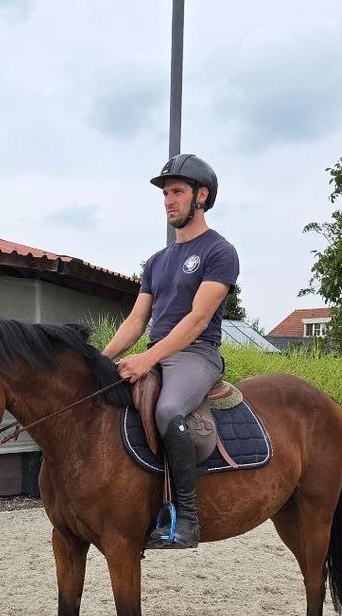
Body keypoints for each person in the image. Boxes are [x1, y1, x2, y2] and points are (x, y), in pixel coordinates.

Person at [102, 154, 239, 549]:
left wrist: (148, 358)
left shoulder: (219, 251)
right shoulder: (157, 261)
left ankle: (188, 520)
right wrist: (102, 358)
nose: (168, 201)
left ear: (202, 195)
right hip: (159, 353)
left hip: (198, 355)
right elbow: (135, 321)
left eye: (177, 192)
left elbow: (197, 320)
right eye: (165, 193)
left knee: (167, 410)